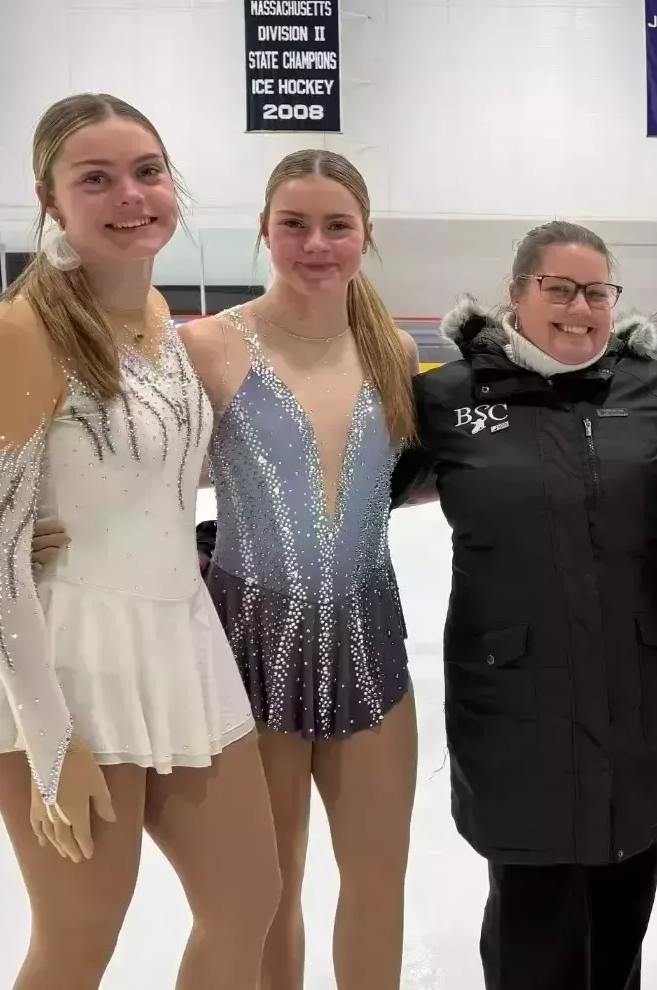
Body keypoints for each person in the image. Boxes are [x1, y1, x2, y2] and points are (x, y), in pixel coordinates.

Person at [0, 93, 279, 989]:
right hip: (66, 660)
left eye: (147, 171)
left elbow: (153, 476)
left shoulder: (160, 316)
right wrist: (51, 742)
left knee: (246, 903)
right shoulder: (17, 334)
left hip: (183, 643)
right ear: (50, 199)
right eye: (96, 179)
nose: (131, 195)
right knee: (80, 935)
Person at [409, 221, 657, 990]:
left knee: (620, 927)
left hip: (638, 706)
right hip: (515, 711)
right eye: (559, 288)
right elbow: (347, 492)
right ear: (517, 293)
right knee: (531, 935)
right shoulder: (448, 399)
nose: (580, 308)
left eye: (596, 292)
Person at [181, 149, 420, 990]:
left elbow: (410, 476)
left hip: (371, 645)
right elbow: (142, 474)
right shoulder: (208, 346)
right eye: (294, 224)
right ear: (264, 230)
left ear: (365, 235)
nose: (316, 243)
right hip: (250, 649)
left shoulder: (392, 349)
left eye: (336, 225)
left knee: (378, 880)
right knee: (266, 891)